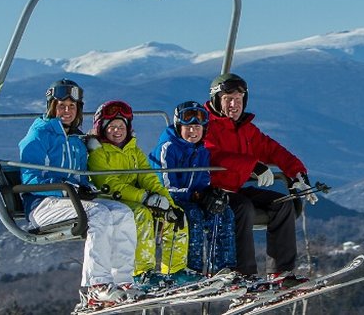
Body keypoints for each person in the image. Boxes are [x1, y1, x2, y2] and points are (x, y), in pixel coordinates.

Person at [17, 79, 142, 310]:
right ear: (51, 107)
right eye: (61, 106)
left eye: (72, 107)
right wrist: (68, 188)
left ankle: (123, 280)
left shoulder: (76, 139)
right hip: (42, 204)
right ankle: (96, 286)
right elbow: (31, 180)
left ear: (78, 110)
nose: (67, 111)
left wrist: (85, 188)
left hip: (70, 200)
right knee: (99, 214)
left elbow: (80, 178)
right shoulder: (38, 136)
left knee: (123, 212)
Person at [202, 73, 319, 285]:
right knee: (243, 208)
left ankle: (281, 273)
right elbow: (211, 154)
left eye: (238, 100)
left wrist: (297, 172)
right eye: (228, 99)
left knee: (282, 205)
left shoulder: (245, 129)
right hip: (211, 192)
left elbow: (271, 149)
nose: (234, 105)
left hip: (234, 189)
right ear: (217, 100)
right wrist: (252, 165)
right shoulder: (206, 125)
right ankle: (243, 274)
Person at [85, 100, 198, 292]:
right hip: (112, 201)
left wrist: (168, 204)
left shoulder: (133, 150)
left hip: (137, 198)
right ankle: (141, 272)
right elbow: (109, 184)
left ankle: (175, 269)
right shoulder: (98, 153)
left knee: (176, 216)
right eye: (111, 127)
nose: (117, 131)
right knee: (142, 216)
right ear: (102, 129)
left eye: (121, 126)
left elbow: (149, 179)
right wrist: (145, 198)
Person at [149, 101, 237, 275]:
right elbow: (166, 185)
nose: (193, 132)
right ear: (178, 127)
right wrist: (196, 197)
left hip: (190, 198)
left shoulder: (202, 149)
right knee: (193, 217)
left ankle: (223, 267)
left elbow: (203, 178)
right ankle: (191, 268)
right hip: (166, 199)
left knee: (223, 213)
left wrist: (210, 194)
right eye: (188, 128)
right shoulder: (168, 148)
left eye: (197, 128)